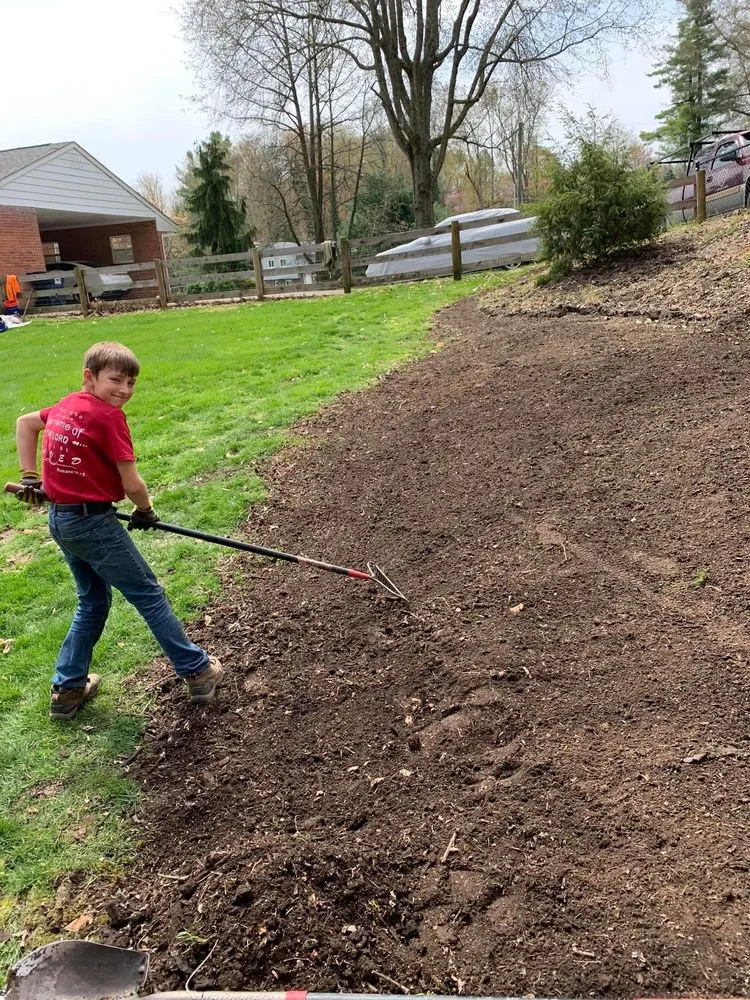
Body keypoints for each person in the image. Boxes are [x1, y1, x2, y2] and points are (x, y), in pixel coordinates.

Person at [15, 341, 224, 721]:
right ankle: (198, 671)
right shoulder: (109, 419)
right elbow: (132, 482)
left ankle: (68, 689)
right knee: (147, 594)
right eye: (115, 380)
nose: (124, 391)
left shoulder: (66, 406)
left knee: (92, 601)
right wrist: (145, 510)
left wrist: (29, 475)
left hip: (62, 521)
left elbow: (25, 424)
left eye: (131, 383)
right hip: (93, 525)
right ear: (88, 377)